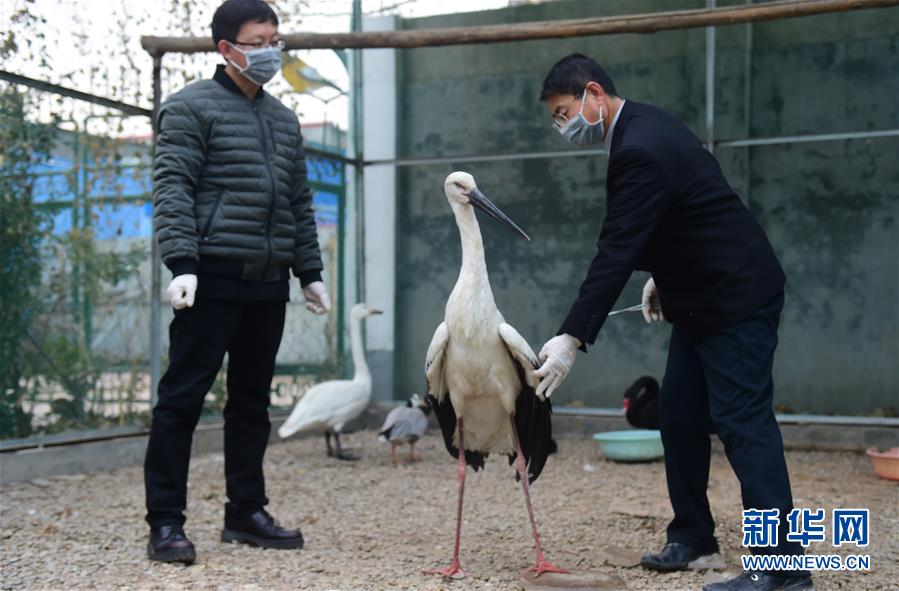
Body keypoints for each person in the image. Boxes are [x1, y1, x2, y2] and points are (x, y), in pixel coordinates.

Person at [533, 53, 812, 591]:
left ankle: (783, 567)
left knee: (743, 423)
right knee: (680, 417)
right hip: (699, 298)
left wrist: (571, 337)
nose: (562, 126)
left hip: (736, 297)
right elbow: (689, 206)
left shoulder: (638, 146)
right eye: (554, 118)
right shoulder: (644, 127)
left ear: (595, 94)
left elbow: (615, 250)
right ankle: (693, 537)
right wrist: (664, 274)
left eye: (564, 111)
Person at [145, 0, 330, 565]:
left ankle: (245, 512)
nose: (270, 50)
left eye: (275, 39)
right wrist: (182, 264)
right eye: (257, 41)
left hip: (267, 281)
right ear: (226, 49)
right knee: (182, 400)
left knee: (251, 404)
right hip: (211, 277)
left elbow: (298, 200)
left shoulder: (281, 118)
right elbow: (173, 185)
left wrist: (310, 271)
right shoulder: (188, 108)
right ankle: (166, 524)